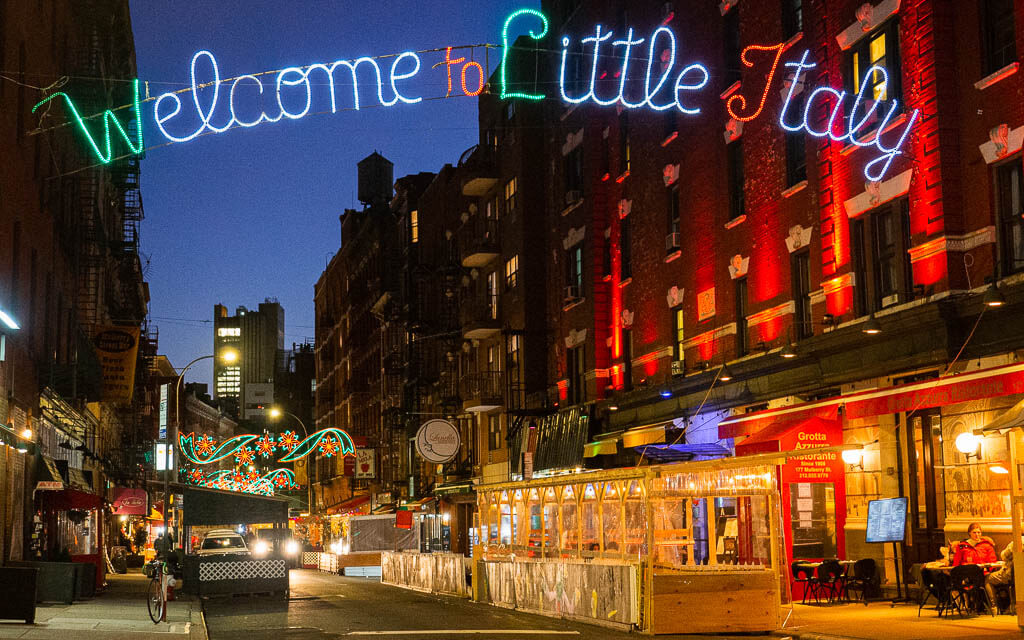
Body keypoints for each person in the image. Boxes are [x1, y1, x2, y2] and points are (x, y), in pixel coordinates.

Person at [986, 537, 1017, 614]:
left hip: (1011, 575)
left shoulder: (1016, 543)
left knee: (988, 578)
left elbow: (1004, 556)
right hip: (1020, 576)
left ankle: (994, 607)